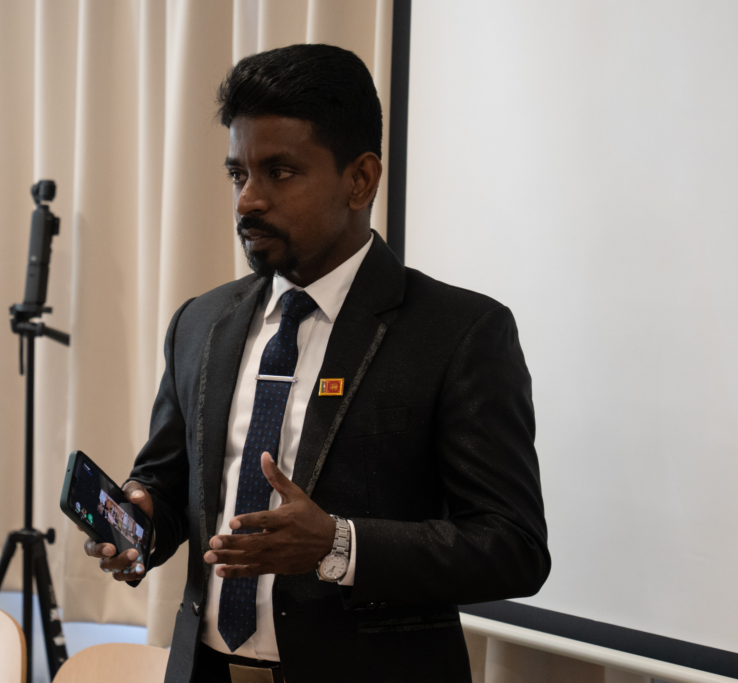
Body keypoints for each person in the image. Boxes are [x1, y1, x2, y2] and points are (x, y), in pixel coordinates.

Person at [83, 43, 550, 683]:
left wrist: (338, 543)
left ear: (361, 180)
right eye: (238, 174)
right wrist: (138, 522)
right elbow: (166, 483)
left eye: (279, 172)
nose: (247, 201)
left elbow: (512, 547)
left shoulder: (458, 333)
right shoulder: (200, 322)